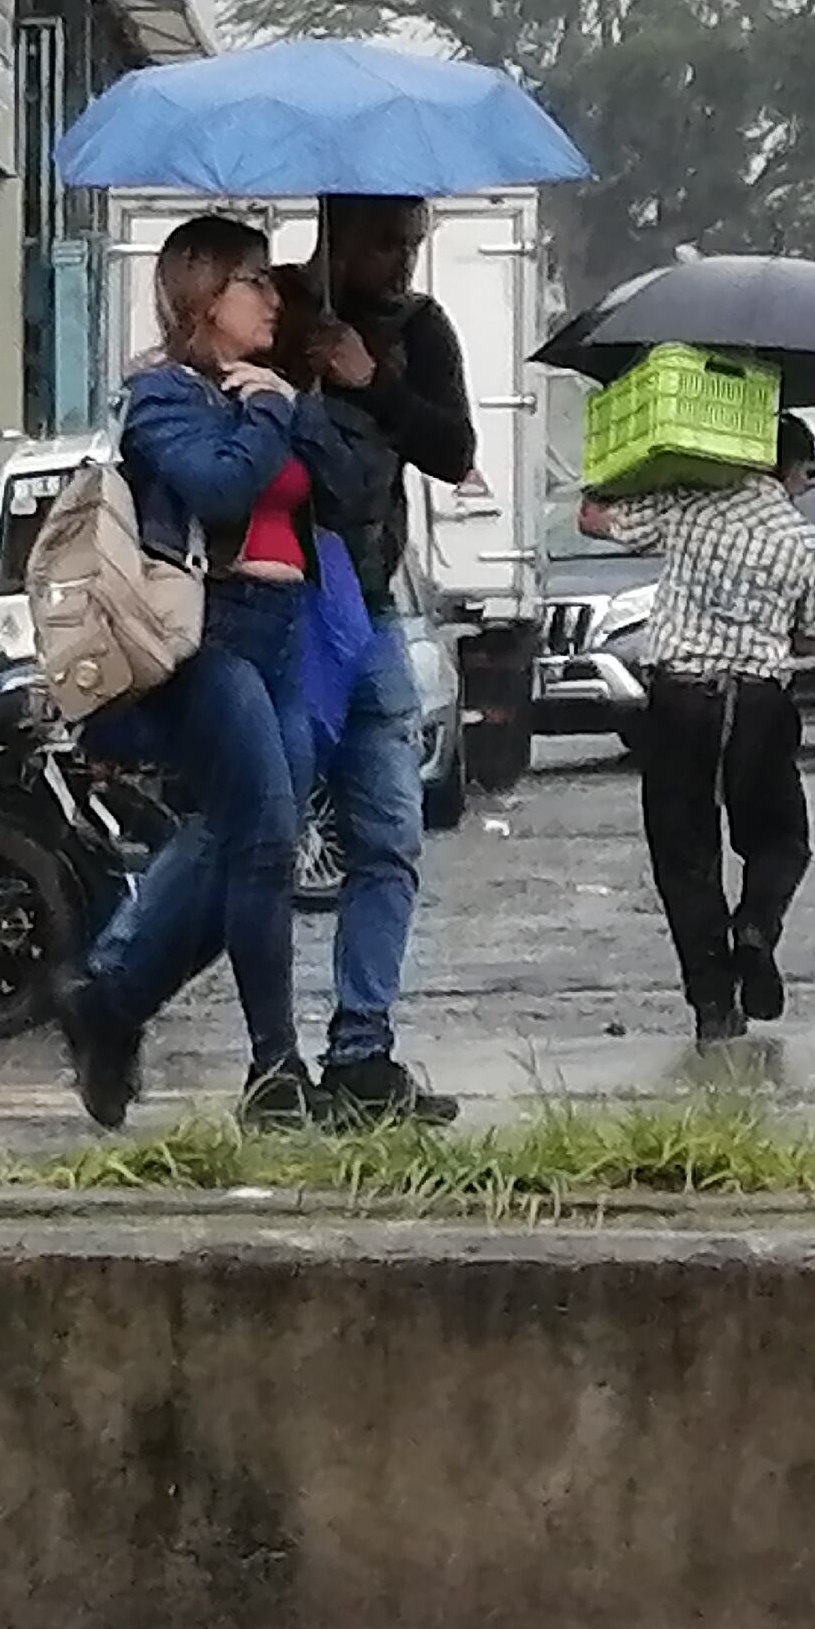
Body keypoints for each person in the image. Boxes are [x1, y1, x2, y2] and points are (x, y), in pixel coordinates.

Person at [64, 215, 361, 1130]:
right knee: (268, 838)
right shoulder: (161, 396)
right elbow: (221, 488)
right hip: (210, 636)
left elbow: (350, 490)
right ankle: (276, 1070)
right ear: (204, 295)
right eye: (255, 283)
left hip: (284, 632)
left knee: (232, 847)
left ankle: (108, 1003)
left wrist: (300, 397)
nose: (275, 298)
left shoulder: (270, 389)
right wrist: (265, 410)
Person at [271, 195, 477, 1124]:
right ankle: (266, 1054)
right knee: (258, 836)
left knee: (389, 832)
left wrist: (367, 378)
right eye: (386, 242)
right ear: (339, 233)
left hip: (375, 608)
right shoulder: (276, 307)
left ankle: (363, 1047)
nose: (401, 262)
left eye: (414, 244)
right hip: (277, 611)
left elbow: (451, 447)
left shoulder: (418, 330)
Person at [594, 413, 815, 1042]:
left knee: (685, 856)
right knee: (781, 837)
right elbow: (810, 631)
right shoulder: (807, 542)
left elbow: (594, 519)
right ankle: (756, 926)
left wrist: (626, 460)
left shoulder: (691, 505)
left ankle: (714, 1008)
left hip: (680, 697)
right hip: (760, 700)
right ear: (793, 469)